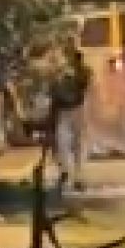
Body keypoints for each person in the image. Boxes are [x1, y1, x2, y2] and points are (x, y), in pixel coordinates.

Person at [50, 46, 91, 193]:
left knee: (79, 144)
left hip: (77, 109)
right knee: (63, 143)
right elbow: (54, 93)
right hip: (63, 112)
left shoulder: (82, 72)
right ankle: (67, 173)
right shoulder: (58, 73)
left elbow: (84, 83)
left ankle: (78, 177)